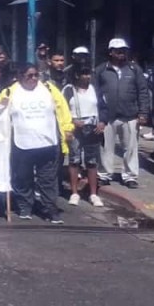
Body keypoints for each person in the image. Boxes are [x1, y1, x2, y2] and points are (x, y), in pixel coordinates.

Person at [0, 64, 74, 223]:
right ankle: (25, 206)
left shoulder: (49, 89)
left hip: (48, 143)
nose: (33, 79)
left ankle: (50, 209)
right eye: (29, 76)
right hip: (22, 144)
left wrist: (68, 128)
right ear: (20, 76)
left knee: (48, 179)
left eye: (36, 75)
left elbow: (62, 109)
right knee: (23, 178)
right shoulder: (10, 92)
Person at [95, 38, 150, 189]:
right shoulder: (101, 70)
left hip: (130, 115)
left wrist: (143, 112)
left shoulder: (134, 69)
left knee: (130, 148)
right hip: (107, 117)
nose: (122, 54)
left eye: (124, 51)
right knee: (106, 147)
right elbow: (95, 93)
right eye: (118, 51)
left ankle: (130, 176)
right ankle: (104, 174)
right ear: (111, 52)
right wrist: (99, 115)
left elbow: (143, 91)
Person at [62, 65, 107, 207]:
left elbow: (104, 107)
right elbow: (62, 110)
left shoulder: (95, 90)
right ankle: (74, 193)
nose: (88, 77)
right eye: (84, 74)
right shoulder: (68, 90)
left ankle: (93, 194)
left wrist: (102, 122)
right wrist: (72, 122)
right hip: (75, 129)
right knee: (74, 160)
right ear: (76, 75)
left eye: (89, 74)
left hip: (93, 128)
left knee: (92, 161)